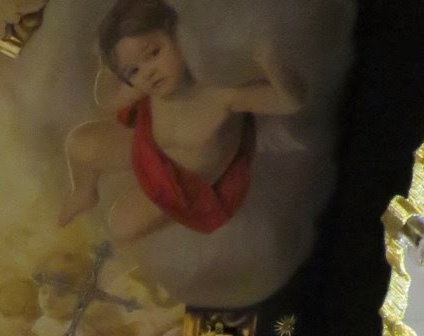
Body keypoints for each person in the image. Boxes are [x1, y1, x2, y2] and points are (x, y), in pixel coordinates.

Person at [58, 0, 303, 241]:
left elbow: (289, 102)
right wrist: (107, 65)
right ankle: (84, 193)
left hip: (180, 187)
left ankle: (164, 215)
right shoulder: (150, 84)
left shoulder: (220, 95)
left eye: (153, 53)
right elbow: (107, 100)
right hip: (148, 150)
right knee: (79, 143)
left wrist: (272, 63)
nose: (148, 72)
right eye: (133, 71)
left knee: (120, 226)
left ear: (179, 36)